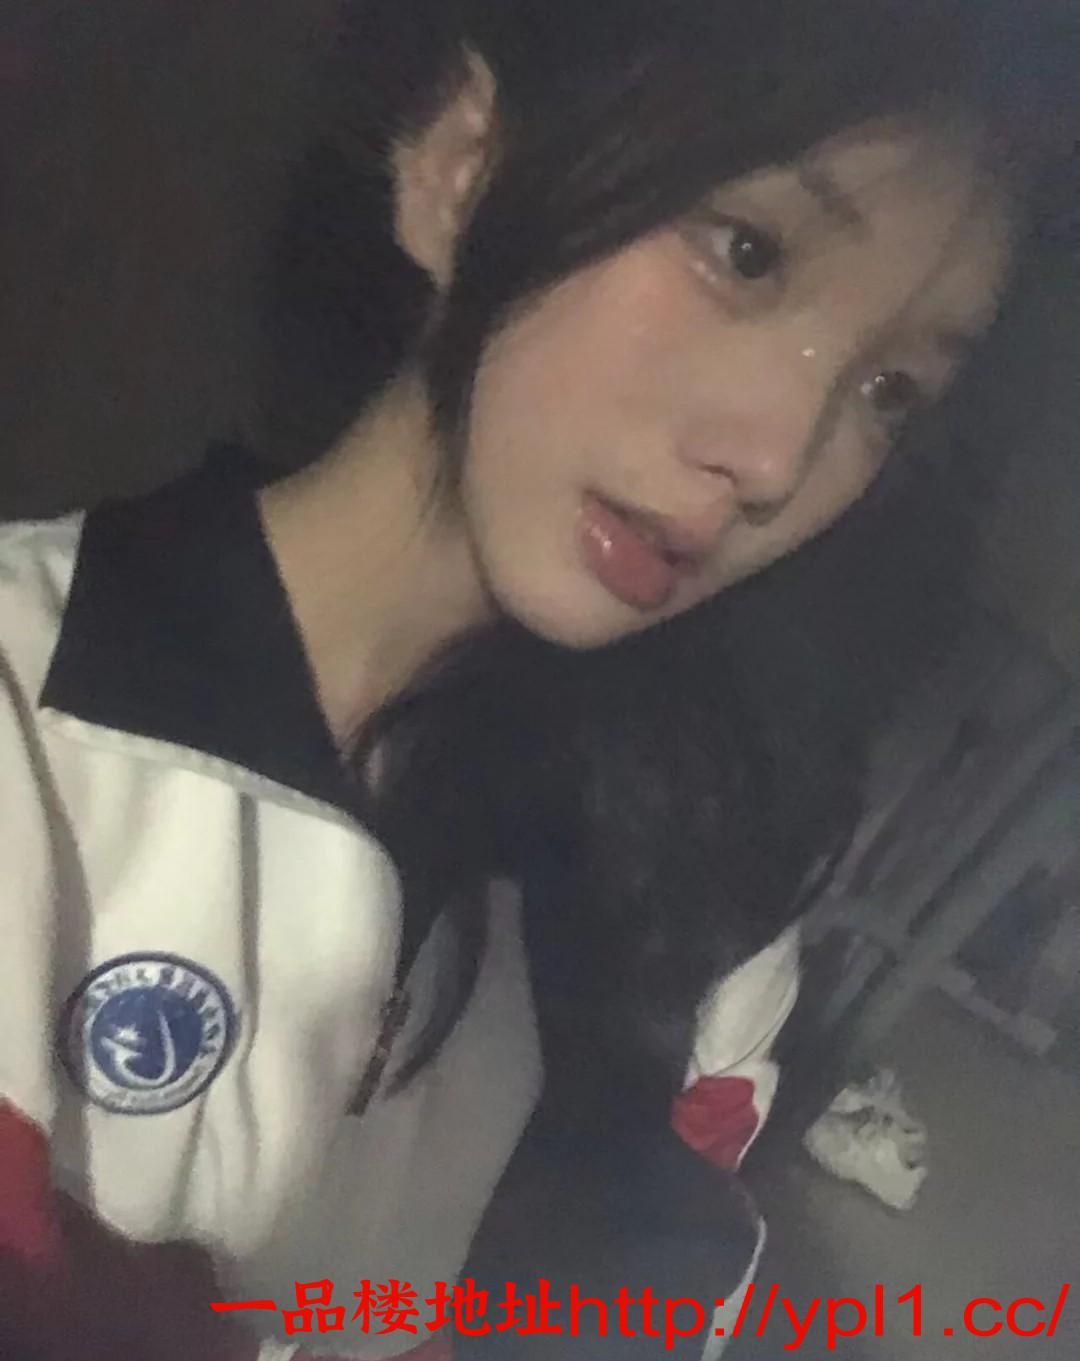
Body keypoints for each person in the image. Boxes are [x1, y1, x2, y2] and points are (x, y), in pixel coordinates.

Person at [0, 1, 1064, 1358]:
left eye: (889, 391)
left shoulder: (680, 873)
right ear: (462, 163)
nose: (778, 458)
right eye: (747, 253)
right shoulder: (37, 738)